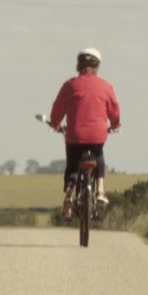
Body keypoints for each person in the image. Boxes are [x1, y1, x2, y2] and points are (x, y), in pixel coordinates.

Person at [49, 47, 121, 220]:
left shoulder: (69, 86)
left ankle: (68, 200)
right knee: (98, 155)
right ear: (97, 67)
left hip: (74, 135)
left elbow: (57, 110)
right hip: (97, 135)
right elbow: (114, 111)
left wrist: (55, 124)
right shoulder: (106, 86)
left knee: (72, 166)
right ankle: (100, 190)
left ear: (78, 65)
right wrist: (115, 125)